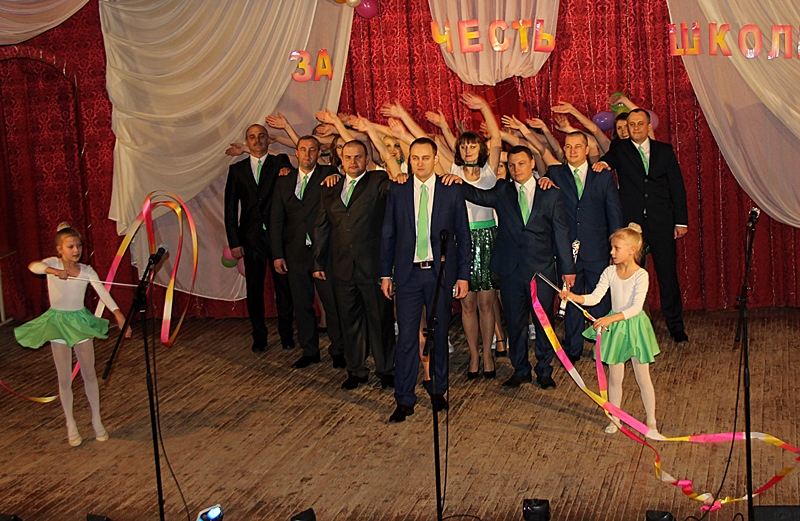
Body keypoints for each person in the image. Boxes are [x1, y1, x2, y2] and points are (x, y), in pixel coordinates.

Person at [455, 146, 575, 389]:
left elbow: (561, 233)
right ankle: (520, 370)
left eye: (521, 163)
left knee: (543, 323)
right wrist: (458, 183)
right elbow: (479, 196)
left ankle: (544, 370)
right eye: (511, 165)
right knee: (515, 323)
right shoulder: (502, 190)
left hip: (541, 270)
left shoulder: (550, 193)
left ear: (532, 163)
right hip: (511, 270)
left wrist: (568, 268)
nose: (516, 169)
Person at [14, 223, 130, 447]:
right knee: (64, 378)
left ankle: (97, 420)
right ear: (59, 249)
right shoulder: (52, 263)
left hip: (79, 323)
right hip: (58, 324)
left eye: (79, 246)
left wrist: (118, 313)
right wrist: (55, 272)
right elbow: (34, 266)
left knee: (89, 374)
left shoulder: (86, 271)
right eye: (70, 246)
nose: (76, 250)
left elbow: (102, 291)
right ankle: (71, 423)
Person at [380, 137, 471, 423]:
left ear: (435, 159)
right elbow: (388, 233)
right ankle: (404, 399)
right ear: (409, 160)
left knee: (439, 335)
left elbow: (463, 235)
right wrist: (385, 273)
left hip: (439, 275)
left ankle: (438, 390)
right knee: (407, 338)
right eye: (415, 158)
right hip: (407, 276)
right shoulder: (398, 189)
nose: (420, 163)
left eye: (425, 158)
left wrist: (463, 275)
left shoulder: (450, 190)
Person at [593, 109, 689, 343]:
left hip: (661, 222)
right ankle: (630, 325)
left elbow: (677, 186)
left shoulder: (664, 150)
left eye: (639, 124)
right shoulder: (620, 148)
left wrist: (681, 221)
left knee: (667, 275)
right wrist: (603, 164)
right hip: (632, 225)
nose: (635, 128)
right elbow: (610, 160)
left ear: (648, 126)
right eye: (631, 124)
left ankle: (676, 326)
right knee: (629, 276)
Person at [312, 140, 397, 390]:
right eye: (348, 157)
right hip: (342, 267)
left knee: (380, 320)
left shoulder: (377, 181)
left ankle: (387, 370)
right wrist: (317, 261)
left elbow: (395, 190)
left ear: (366, 159)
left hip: (373, 266)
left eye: (358, 157)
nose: (353, 161)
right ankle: (356, 370)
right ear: (341, 158)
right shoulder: (330, 188)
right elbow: (321, 228)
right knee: (349, 322)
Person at [561, 223, 660, 434]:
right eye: (612, 248)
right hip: (616, 328)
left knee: (643, 377)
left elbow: (636, 307)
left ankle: (651, 420)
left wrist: (610, 319)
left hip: (635, 327)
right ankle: (615, 418)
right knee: (615, 378)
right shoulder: (609, 272)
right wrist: (573, 297)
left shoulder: (641, 275)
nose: (612, 252)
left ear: (632, 250)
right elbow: (595, 297)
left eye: (616, 248)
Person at [546, 132, 623, 362]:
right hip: (566, 250)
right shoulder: (555, 174)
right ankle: (573, 347)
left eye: (578, 146)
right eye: (568, 146)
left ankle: (605, 345)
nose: (573, 151)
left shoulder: (602, 175)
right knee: (571, 299)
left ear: (587, 149)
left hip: (597, 249)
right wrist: (543, 182)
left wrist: (616, 248)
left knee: (600, 299)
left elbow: (614, 212)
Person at [271, 135, 345, 370]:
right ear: (296, 153)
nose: (307, 154)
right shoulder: (284, 181)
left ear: (318, 152)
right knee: (302, 304)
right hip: (295, 253)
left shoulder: (329, 174)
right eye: (303, 149)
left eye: (312, 150)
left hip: (323, 252)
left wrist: (338, 177)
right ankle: (310, 350)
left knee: (331, 303)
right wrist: (277, 254)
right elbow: (276, 220)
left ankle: (339, 350)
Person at [224, 124, 295, 353]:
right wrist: (235, 241)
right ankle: (259, 336)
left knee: (283, 288)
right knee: (254, 289)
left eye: (261, 136)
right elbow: (230, 209)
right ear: (247, 141)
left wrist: (287, 171)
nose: (257, 140)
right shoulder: (237, 170)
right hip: (251, 238)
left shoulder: (279, 162)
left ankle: (287, 335)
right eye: (252, 137)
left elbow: (290, 177)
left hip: (278, 237)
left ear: (268, 139)